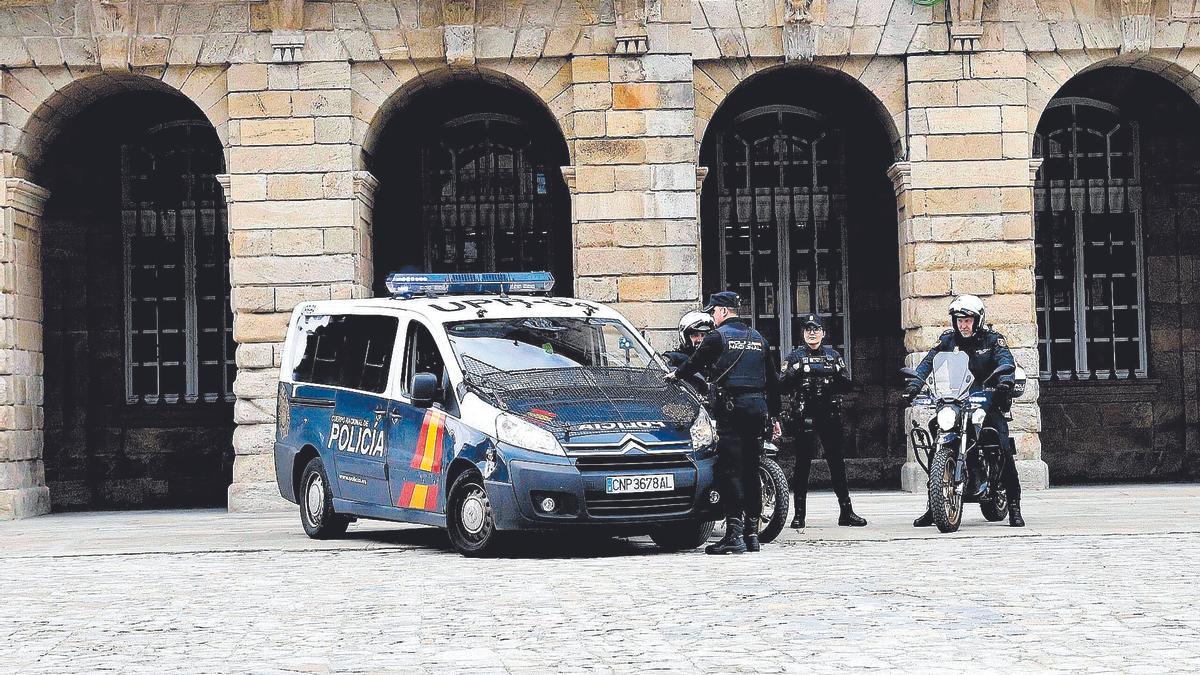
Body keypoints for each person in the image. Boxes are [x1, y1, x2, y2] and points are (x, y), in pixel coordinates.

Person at [668, 291, 781, 554]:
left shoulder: (718, 337)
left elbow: (694, 363)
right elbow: (774, 382)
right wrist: (774, 417)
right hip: (757, 411)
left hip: (732, 411)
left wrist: (675, 375)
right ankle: (752, 534)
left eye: (713, 312)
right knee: (752, 470)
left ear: (723, 311)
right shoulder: (758, 339)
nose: (712, 317)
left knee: (731, 472)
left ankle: (734, 535)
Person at [905, 294, 1025, 528]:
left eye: (968, 320)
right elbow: (929, 362)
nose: (963, 325)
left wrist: (1005, 382)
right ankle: (935, 505)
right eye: (959, 320)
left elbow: (1006, 361)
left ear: (978, 320)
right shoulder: (948, 341)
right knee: (936, 433)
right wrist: (914, 384)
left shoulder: (992, 341)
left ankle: (1014, 506)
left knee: (1000, 443)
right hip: (955, 400)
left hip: (985, 401)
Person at [780, 314, 867, 529]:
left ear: (823, 333)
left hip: (829, 415)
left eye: (816, 329)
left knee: (837, 464)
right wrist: (797, 370)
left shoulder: (833, 355)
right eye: (808, 329)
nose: (812, 333)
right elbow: (781, 384)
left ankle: (846, 512)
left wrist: (833, 371)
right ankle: (799, 515)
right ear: (803, 333)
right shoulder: (794, 356)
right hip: (804, 415)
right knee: (802, 466)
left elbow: (848, 383)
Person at [662, 310, 714, 393]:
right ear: (686, 337)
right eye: (695, 335)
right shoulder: (674, 358)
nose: (700, 339)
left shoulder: (714, 361)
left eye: (704, 335)